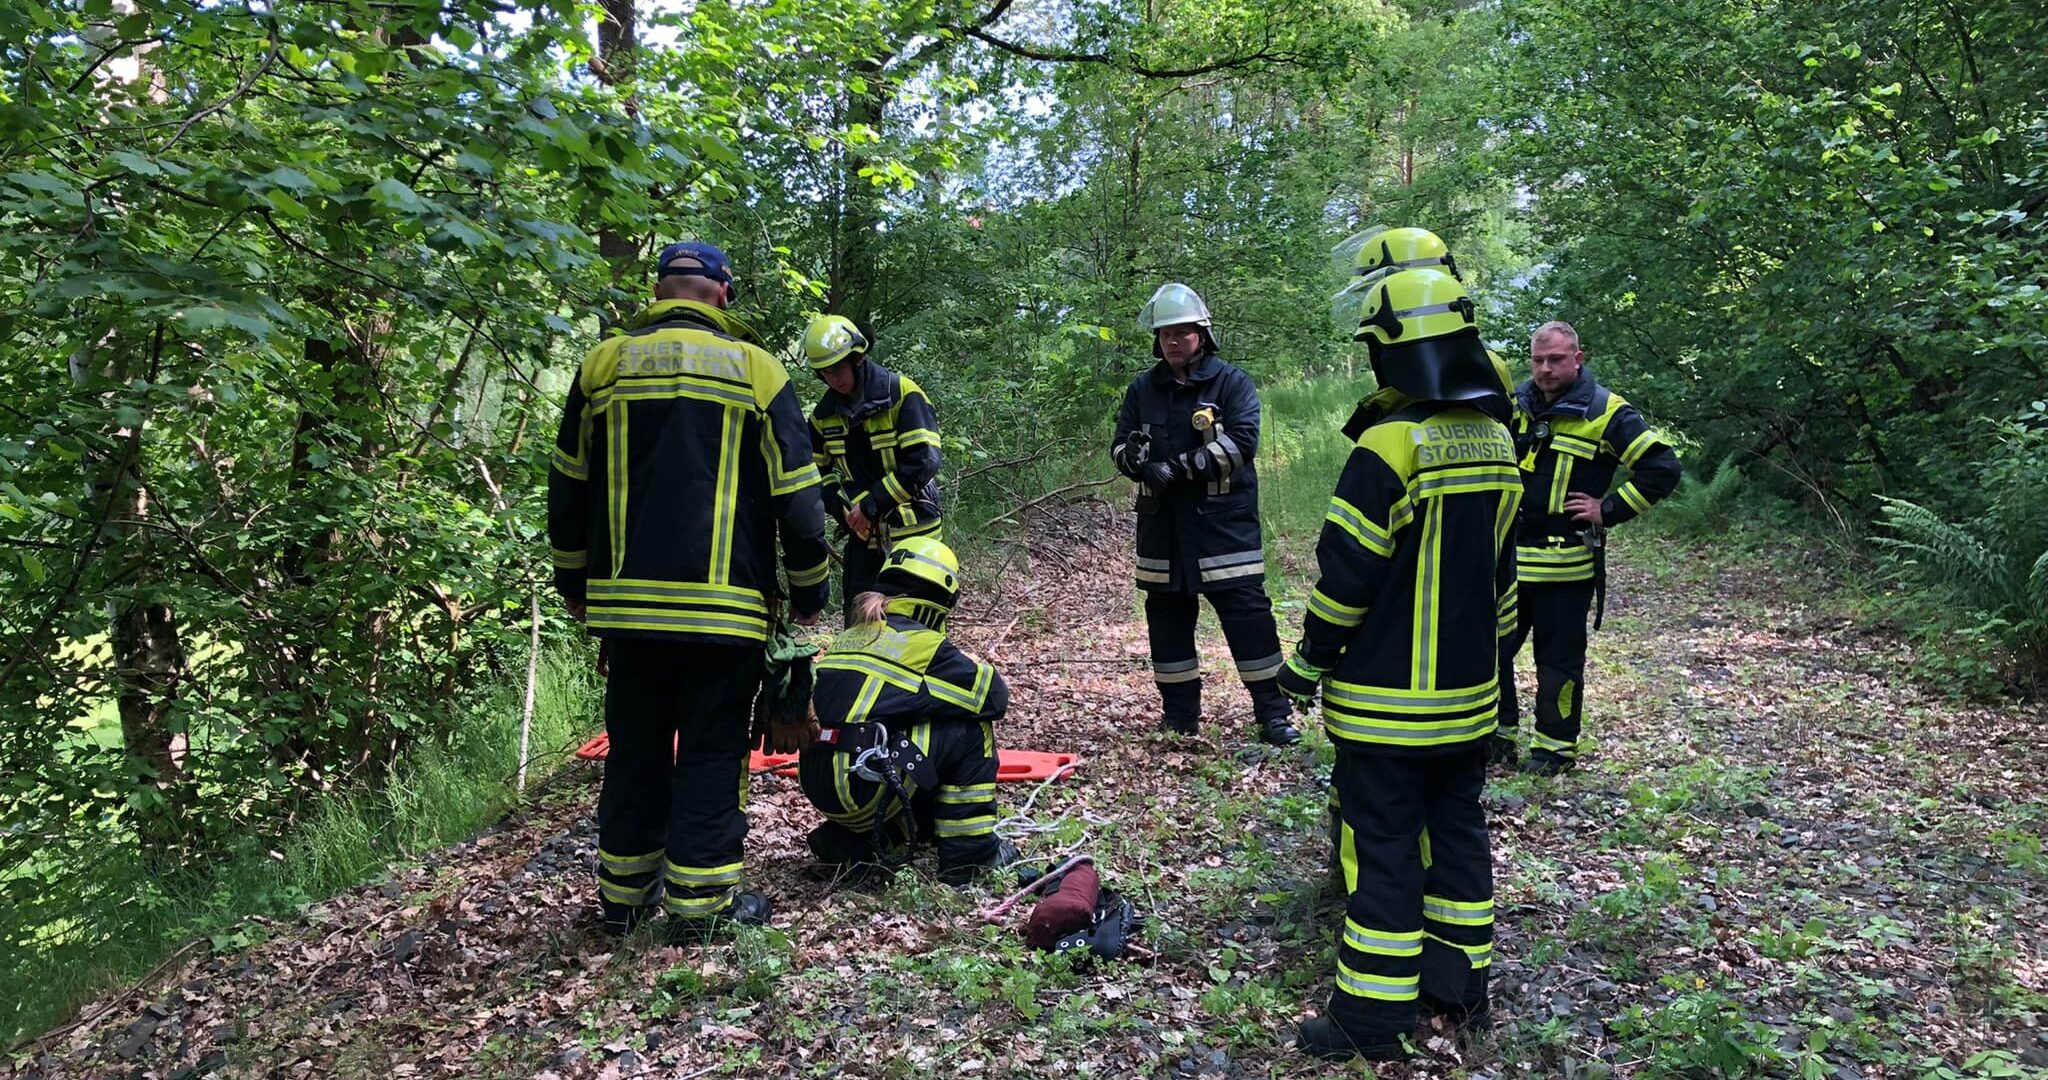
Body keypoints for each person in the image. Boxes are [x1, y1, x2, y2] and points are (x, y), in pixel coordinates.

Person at [548, 240, 831, 936]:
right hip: (725, 614)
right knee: (710, 751)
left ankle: (622, 901)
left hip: (629, 616)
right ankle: (700, 909)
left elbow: (569, 483)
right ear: (723, 295)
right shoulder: (757, 371)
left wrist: (573, 583)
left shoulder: (604, 364)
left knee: (635, 751)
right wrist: (808, 590)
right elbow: (798, 494)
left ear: (658, 291)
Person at [1275, 267, 1519, 1061]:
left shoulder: (1390, 445)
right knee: (1458, 838)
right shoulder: (1496, 438)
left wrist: (1305, 666)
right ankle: (1459, 992)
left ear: (1393, 352)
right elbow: (1505, 580)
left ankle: (1370, 1021)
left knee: (1381, 851)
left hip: (1384, 710)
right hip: (1470, 705)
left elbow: (1348, 578)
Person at [1109, 283, 1300, 746]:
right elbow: (1117, 446)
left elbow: (1241, 443)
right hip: (1163, 532)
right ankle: (1179, 717)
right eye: (1165, 336)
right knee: (1167, 622)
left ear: (1203, 335)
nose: (1173, 342)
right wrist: (1132, 458)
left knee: (1248, 619)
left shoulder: (1231, 383)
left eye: (1182, 334)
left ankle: (1273, 714)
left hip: (1222, 529)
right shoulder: (1142, 388)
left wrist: (1174, 468)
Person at [1493, 321, 1681, 775]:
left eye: (1556, 360)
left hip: (1566, 566)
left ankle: (1554, 750)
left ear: (1578, 358)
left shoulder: (1607, 412)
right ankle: (1495, 741)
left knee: (1558, 665)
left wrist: (1609, 509)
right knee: (1489, 656)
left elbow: (1662, 469)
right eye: (1538, 360)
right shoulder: (1513, 406)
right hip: (1507, 562)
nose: (1545, 369)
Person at [796, 536, 1019, 884]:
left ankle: (857, 842)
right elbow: (993, 697)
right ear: (943, 597)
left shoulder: (851, 635)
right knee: (971, 729)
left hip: (819, 781)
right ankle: (972, 854)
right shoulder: (925, 644)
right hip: (862, 786)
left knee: (908, 735)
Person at [801, 314, 944, 622]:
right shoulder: (823, 416)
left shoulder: (901, 394)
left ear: (858, 358)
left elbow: (924, 460)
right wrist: (843, 509)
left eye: (838, 368)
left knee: (916, 622)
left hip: (914, 531)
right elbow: (813, 473)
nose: (832, 378)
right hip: (863, 538)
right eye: (824, 372)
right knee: (858, 622)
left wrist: (871, 504)